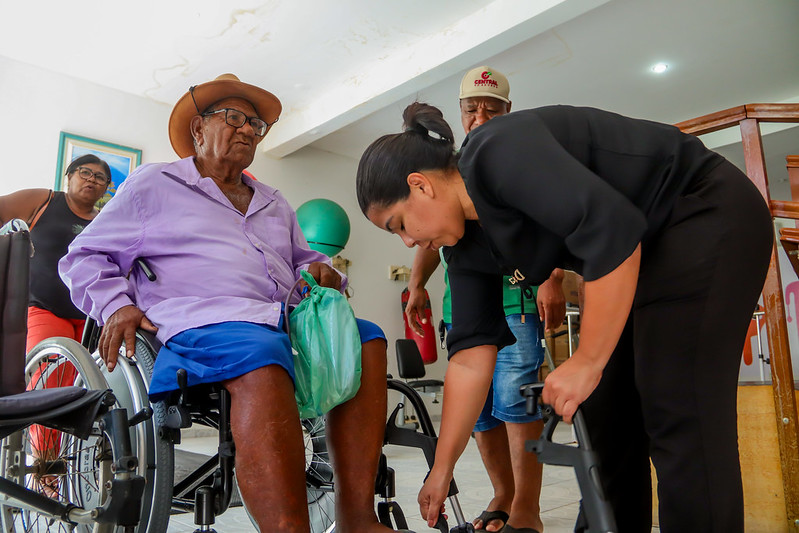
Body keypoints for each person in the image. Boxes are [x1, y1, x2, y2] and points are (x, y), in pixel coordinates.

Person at [356, 102, 772, 533]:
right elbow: (469, 360)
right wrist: (442, 468)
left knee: (677, 405)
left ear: (420, 185)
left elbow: (612, 231)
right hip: (642, 251)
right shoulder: (465, 249)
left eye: (398, 224)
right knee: (605, 413)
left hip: (702, 211)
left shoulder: (498, 151)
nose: (407, 242)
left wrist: (588, 359)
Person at [59, 74, 409, 533]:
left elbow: (305, 261)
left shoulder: (273, 202)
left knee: (366, 338)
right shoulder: (154, 183)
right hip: (202, 321)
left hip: (279, 320)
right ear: (198, 128)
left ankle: (356, 518)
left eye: (256, 125)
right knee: (259, 351)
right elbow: (84, 255)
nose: (247, 130)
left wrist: (322, 271)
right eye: (234, 118)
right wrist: (115, 305)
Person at [403, 66, 564, 533]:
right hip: (464, 307)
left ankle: (527, 509)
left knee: (516, 400)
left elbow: (554, 218)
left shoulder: (520, 161)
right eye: (471, 109)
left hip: (516, 302)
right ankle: (503, 495)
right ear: (460, 112)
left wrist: (552, 277)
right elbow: (432, 230)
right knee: (479, 409)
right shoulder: (449, 168)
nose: (479, 118)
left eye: (491, 110)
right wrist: (417, 284)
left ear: (508, 111)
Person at [0, 154, 110, 351]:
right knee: (48, 368)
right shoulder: (44, 200)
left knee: (87, 371)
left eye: (100, 177)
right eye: (85, 172)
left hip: (90, 319)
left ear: (105, 189)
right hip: (44, 309)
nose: (92, 179)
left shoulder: (106, 222)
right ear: (69, 177)